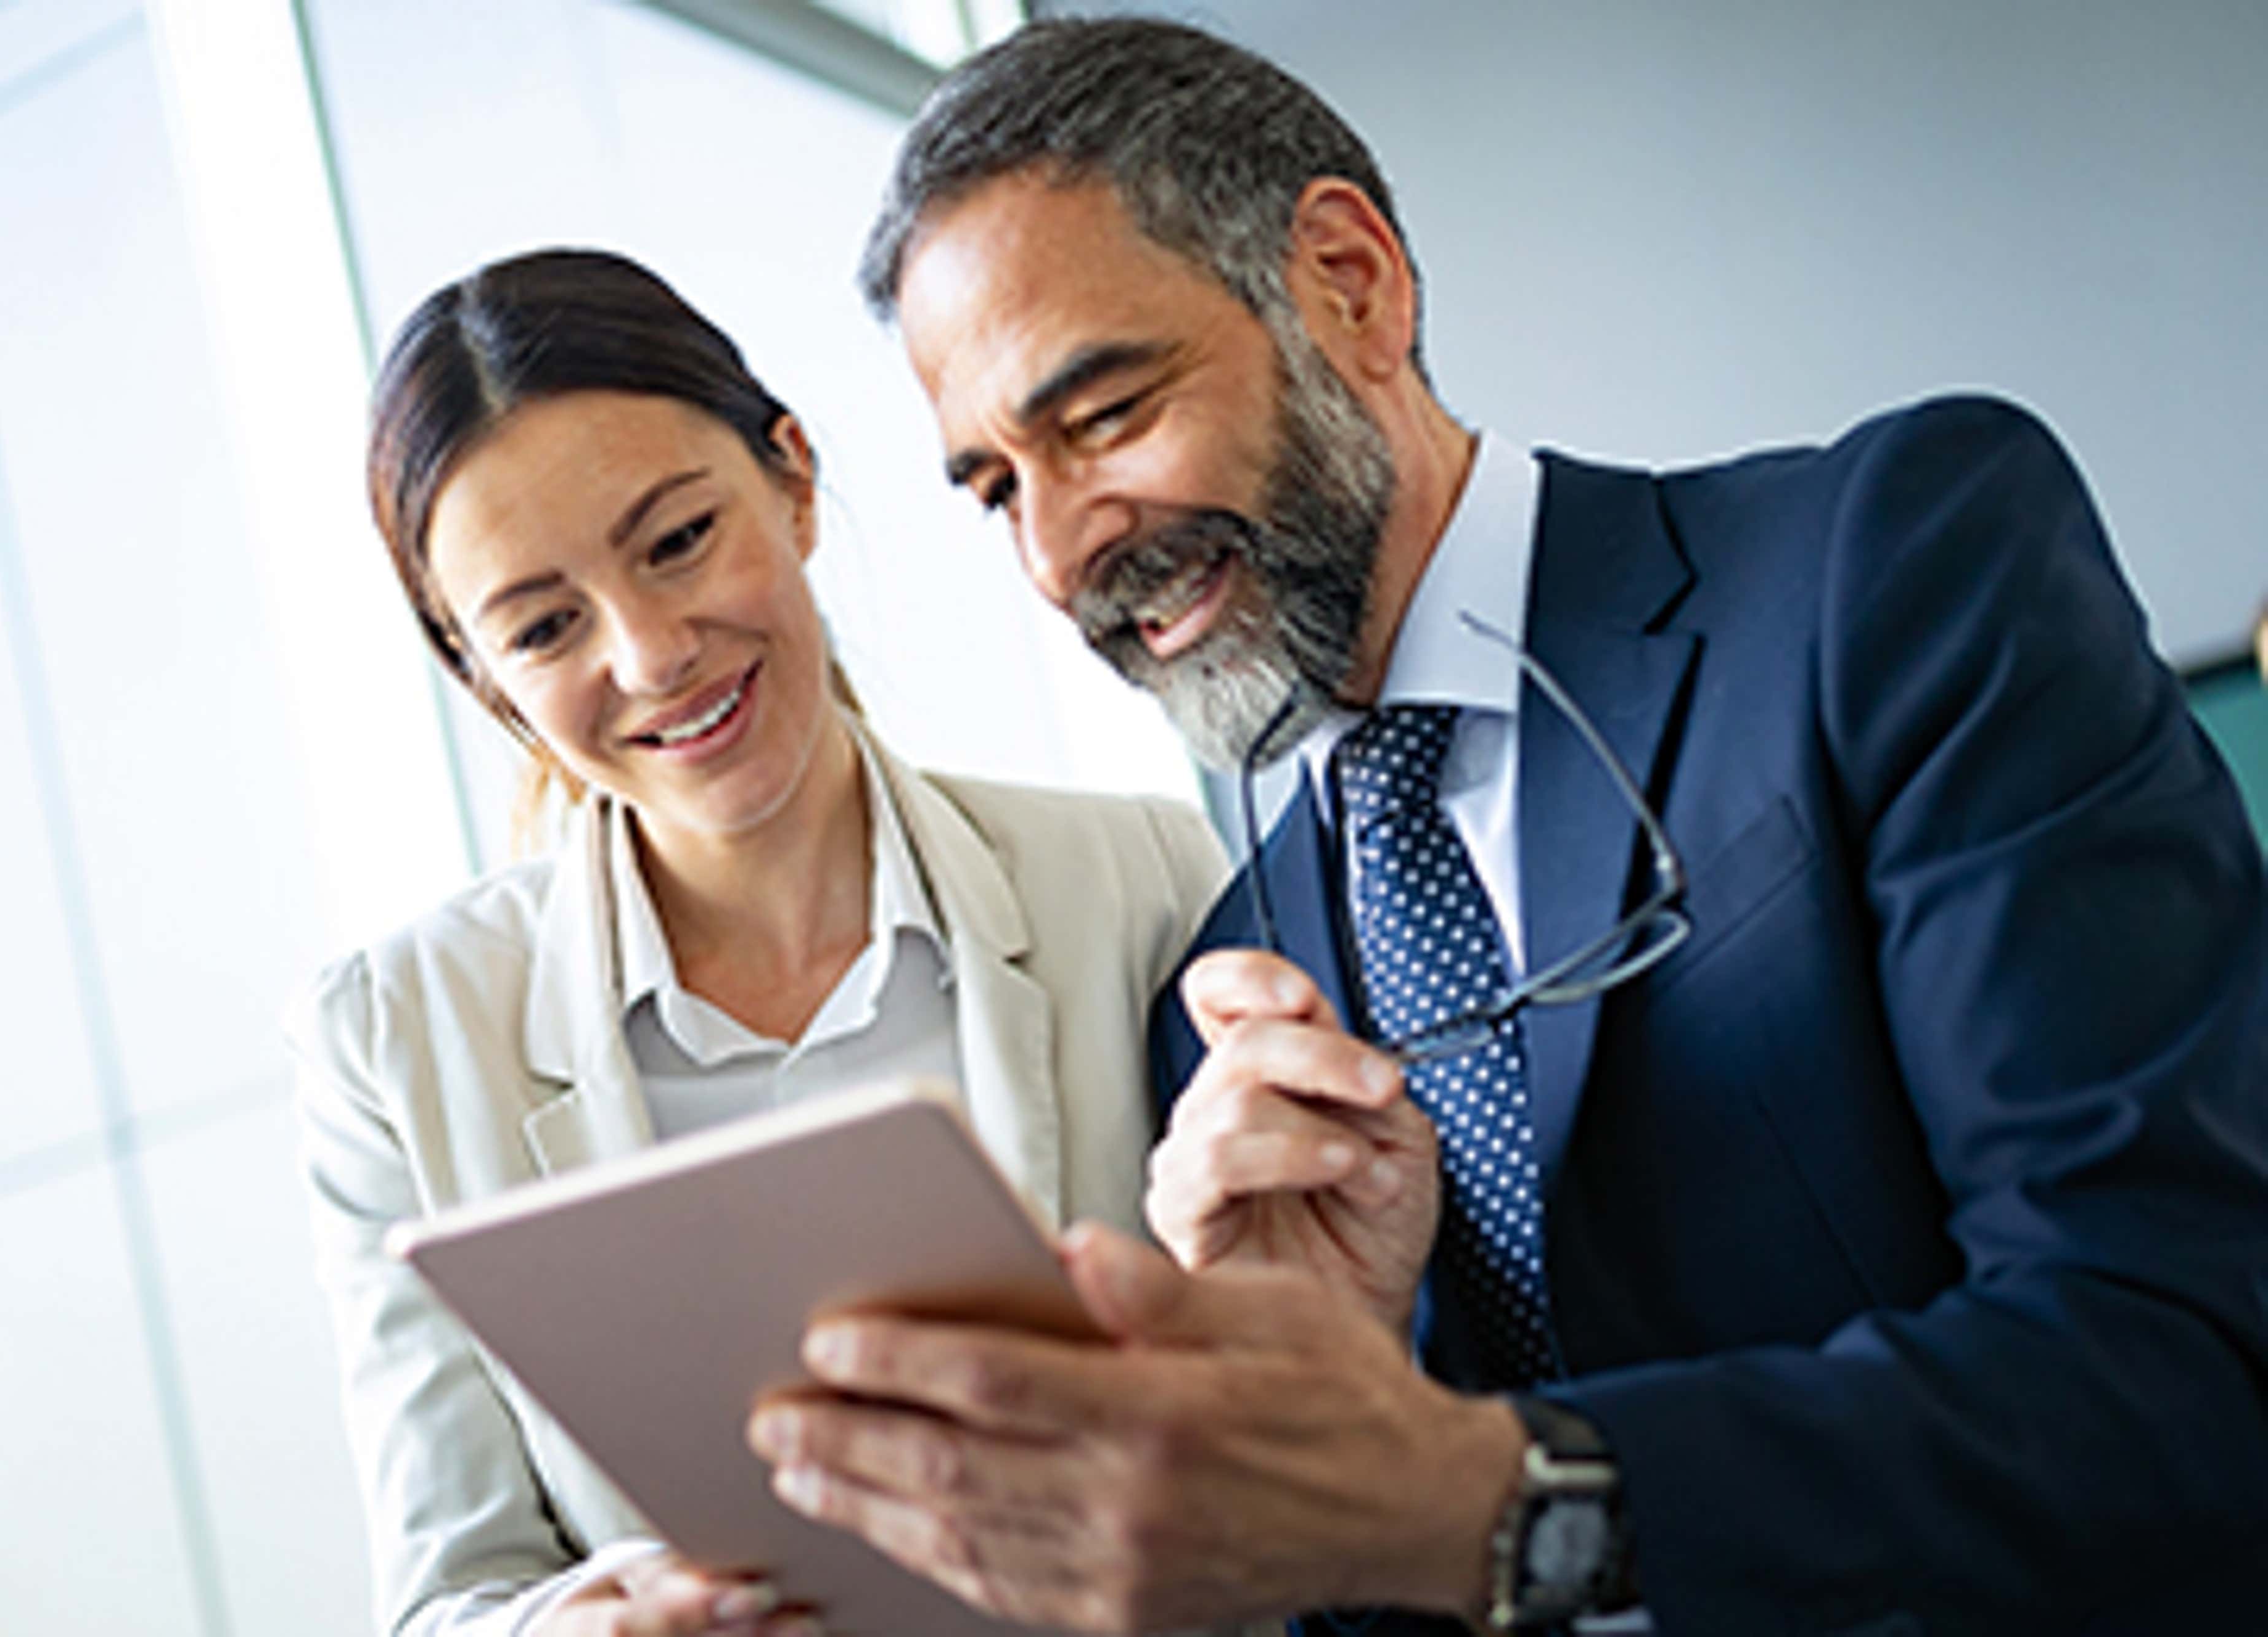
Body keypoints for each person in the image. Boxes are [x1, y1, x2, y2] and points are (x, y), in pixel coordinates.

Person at [741, 17, 2268, 1635]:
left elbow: (2190, 1350)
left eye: (1106, 417)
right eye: (996, 489)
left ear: (1350, 287)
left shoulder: (1888, 569)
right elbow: (1378, 1571)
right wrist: (1319, 1403)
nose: (1057, 558)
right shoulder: (1236, 999)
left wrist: (1479, 1491)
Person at [286, 247, 1231, 1637]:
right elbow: (450, 1597)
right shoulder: (396, 1039)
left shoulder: (1139, 883)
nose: (651, 654)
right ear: (478, 673)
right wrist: (592, 1627)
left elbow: (1290, 1413)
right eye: (545, 626)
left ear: (792, 480)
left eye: (677, 541)